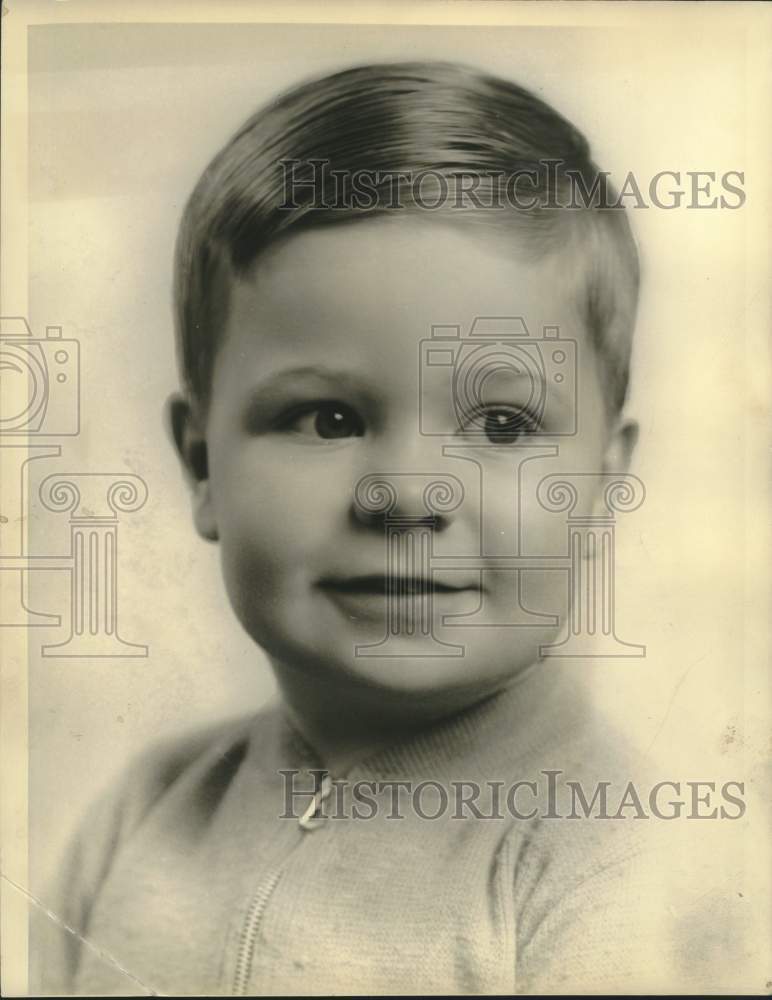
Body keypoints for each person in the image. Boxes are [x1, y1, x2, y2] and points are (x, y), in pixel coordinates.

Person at [32, 61, 735, 996]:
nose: (406, 493)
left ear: (604, 484)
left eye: (500, 426)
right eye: (327, 418)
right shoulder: (145, 814)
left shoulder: (618, 870)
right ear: (202, 465)